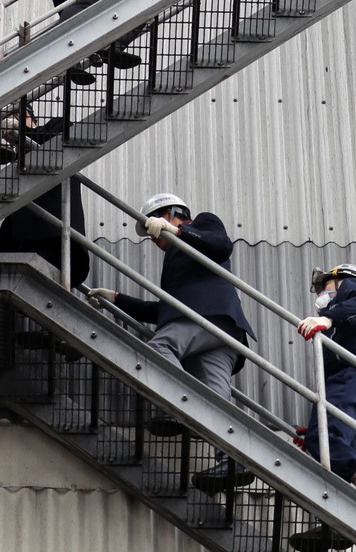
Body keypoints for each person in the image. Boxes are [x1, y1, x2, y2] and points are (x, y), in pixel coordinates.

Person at [87, 192, 256, 495]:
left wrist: (177, 231)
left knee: (158, 349)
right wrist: (115, 299)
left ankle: (178, 410)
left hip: (207, 317)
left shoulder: (202, 224)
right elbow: (166, 310)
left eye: (154, 225)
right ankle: (232, 459)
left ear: (171, 214)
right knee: (215, 397)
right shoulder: (176, 263)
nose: (152, 239)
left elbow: (221, 245)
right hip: (218, 330)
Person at [289, 263, 356, 552]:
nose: (322, 292)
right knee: (325, 448)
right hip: (354, 390)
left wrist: (327, 319)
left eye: (326, 284)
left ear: (341, 280)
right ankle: (340, 523)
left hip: (353, 381)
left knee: (326, 441)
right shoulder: (341, 326)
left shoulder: (353, 289)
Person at [0, 115, 90, 287]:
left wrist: (23, 133)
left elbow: (60, 140)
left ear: (30, 117)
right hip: (30, 239)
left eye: (14, 117)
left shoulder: (57, 125)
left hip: (56, 239)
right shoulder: (20, 160)